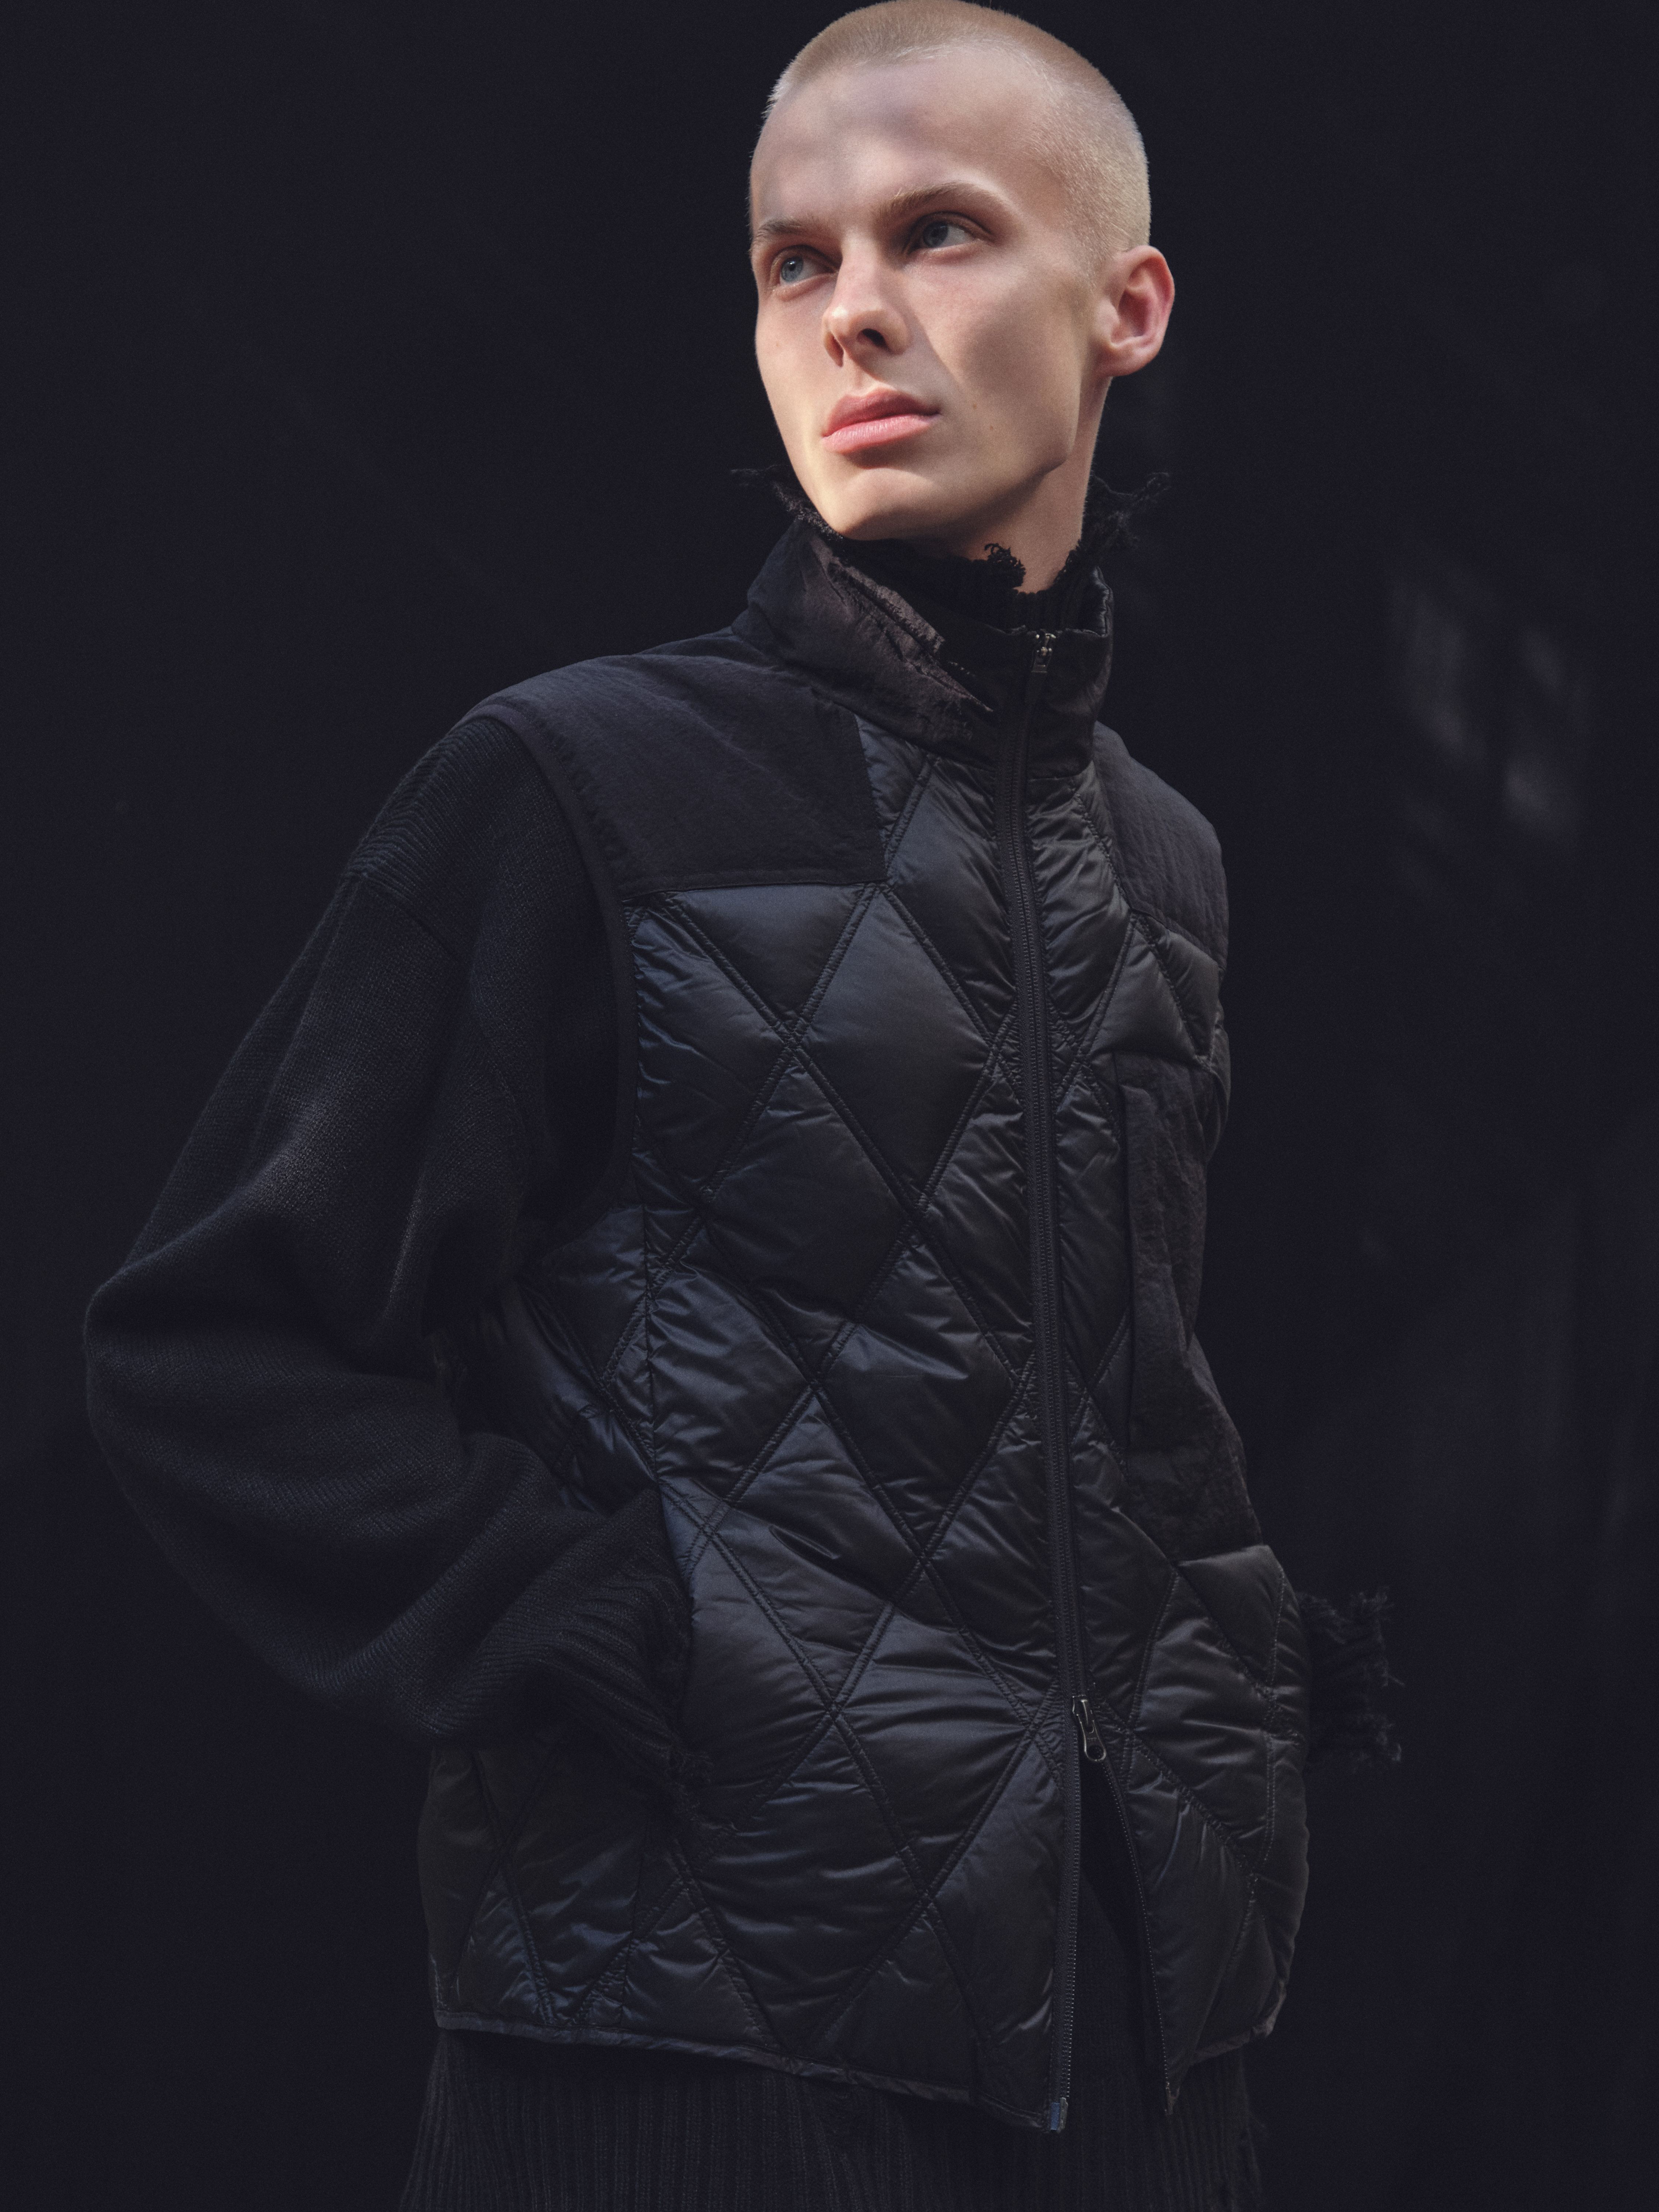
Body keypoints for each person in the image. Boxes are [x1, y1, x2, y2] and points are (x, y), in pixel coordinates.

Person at [86, 7, 1386, 2206]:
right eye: (797, 260)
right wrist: (560, 1614)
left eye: (940, 231)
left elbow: (1107, 1396)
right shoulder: (581, 785)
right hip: (691, 2042)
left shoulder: (1165, 862)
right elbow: (212, 1342)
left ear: (1130, 306)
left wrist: (1230, 1664)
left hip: (1147, 2043)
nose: (853, 310)